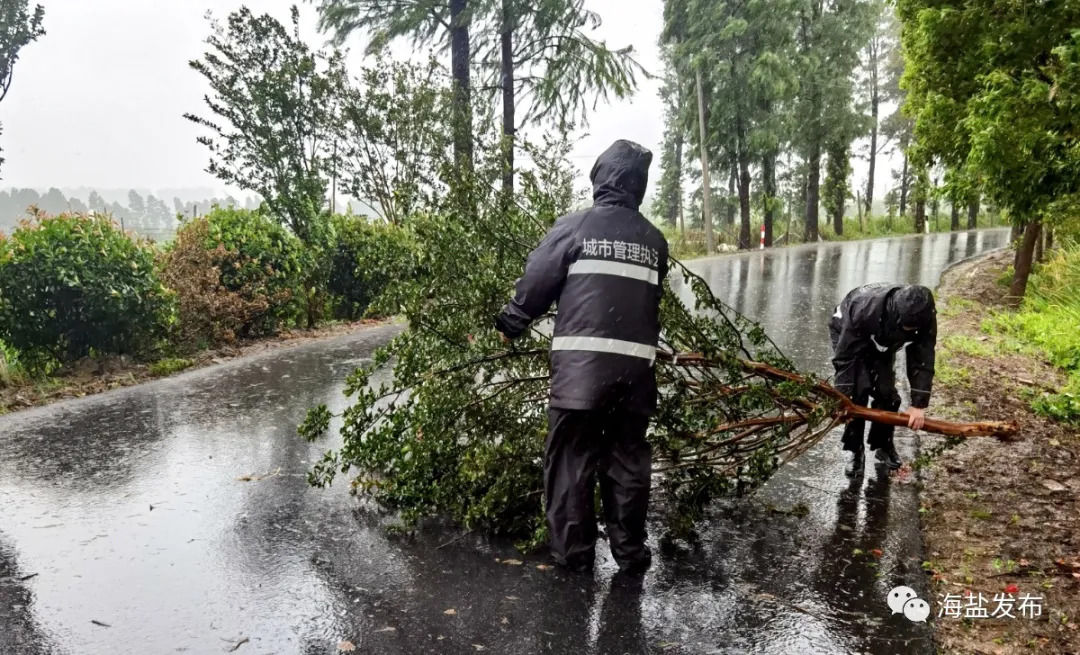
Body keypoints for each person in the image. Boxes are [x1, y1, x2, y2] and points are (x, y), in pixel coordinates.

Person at [494, 139, 669, 574]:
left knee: (572, 462)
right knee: (627, 461)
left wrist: (510, 324)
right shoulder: (654, 240)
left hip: (580, 381)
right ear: (638, 185)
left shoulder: (576, 228)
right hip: (634, 378)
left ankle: (574, 555)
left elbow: (537, 280)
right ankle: (630, 553)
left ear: (601, 178)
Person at [828, 283, 937, 477]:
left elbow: (922, 357)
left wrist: (919, 404)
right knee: (857, 393)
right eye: (906, 325)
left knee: (887, 395)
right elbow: (845, 358)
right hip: (849, 333)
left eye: (913, 328)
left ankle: (883, 446)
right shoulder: (864, 309)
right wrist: (842, 398)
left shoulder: (926, 315)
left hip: (883, 342)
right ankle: (855, 450)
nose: (910, 330)